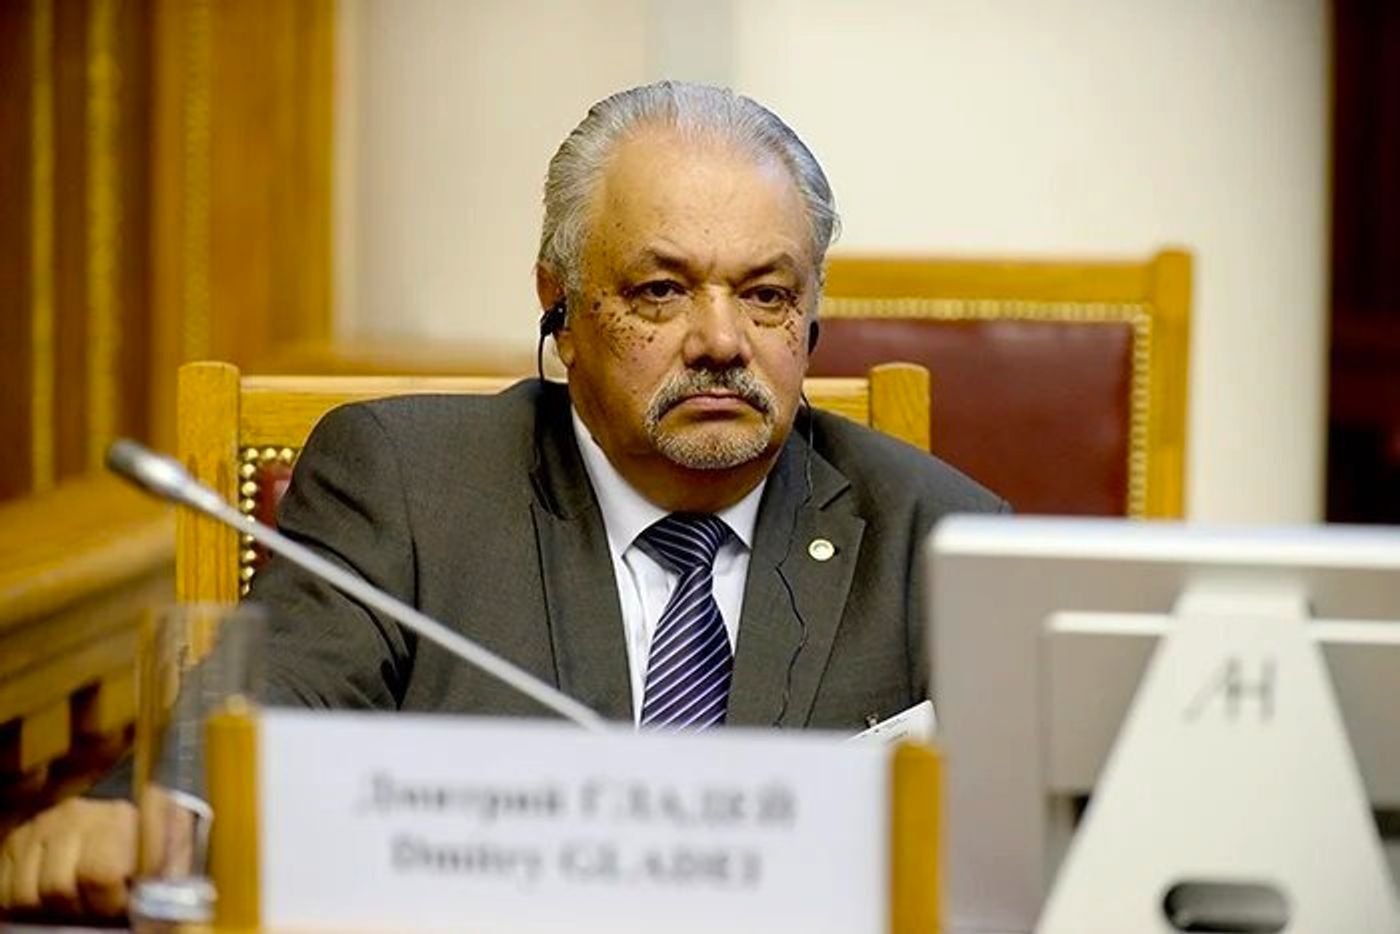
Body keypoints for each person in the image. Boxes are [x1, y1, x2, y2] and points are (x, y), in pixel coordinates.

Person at [0, 80, 1004, 920]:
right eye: (660, 290)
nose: (720, 339)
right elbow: (261, 720)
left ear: (810, 317)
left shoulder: (932, 535)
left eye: (766, 294)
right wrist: (160, 817)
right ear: (558, 309)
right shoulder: (404, 485)